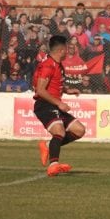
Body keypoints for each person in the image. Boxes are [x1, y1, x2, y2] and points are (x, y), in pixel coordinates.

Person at [32, 35, 86, 177]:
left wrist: (67, 90)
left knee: (79, 130)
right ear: (61, 50)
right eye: (67, 50)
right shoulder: (48, 65)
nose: (68, 52)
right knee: (59, 132)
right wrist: (59, 103)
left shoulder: (58, 65)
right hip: (45, 105)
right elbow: (40, 90)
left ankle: (49, 146)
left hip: (54, 105)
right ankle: (53, 165)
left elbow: (55, 85)